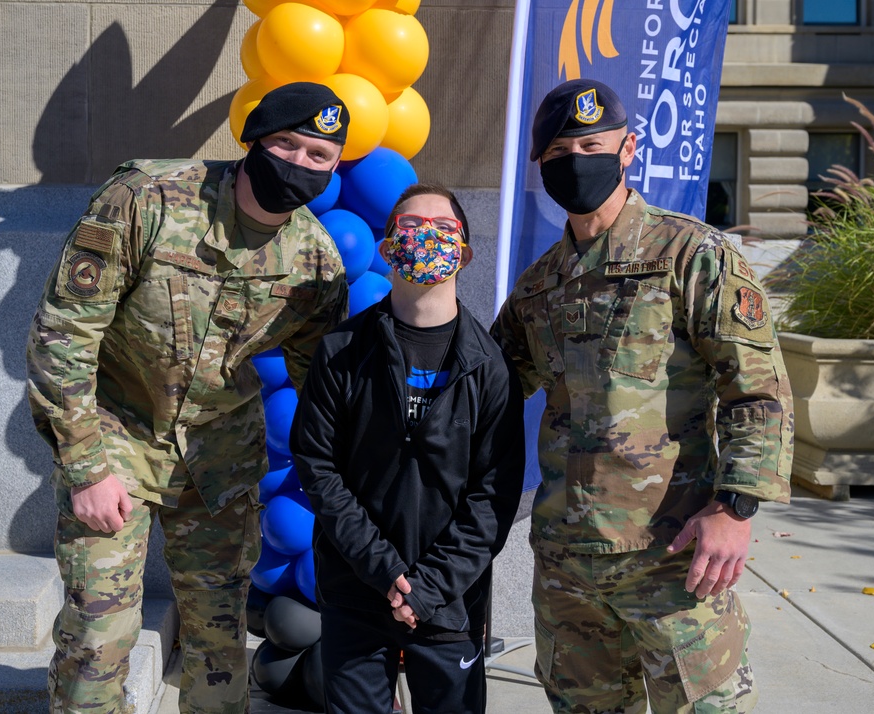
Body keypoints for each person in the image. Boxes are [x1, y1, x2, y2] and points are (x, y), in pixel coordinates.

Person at [26, 81, 350, 714]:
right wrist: (86, 466)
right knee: (99, 634)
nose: (301, 164)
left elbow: (324, 391)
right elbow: (63, 334)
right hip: (116, 435)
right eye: (288, 144)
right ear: (255, 138)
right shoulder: (147, 199)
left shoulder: (316, 263)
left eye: (320, 156)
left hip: (219, 462)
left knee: (219, 640)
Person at [491, 78, 795, 713]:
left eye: (592, 145)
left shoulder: (690, 254)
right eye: (558, 155)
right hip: (568, 566)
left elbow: (758, 390)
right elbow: (488, 390)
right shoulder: (539, 286)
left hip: (673, 557)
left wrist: (734, 509)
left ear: (628, 149)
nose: (576, 162)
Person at [290, 184, 526, 714]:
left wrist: (429, 586)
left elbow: (494, 496)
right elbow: (319, 469)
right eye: (411, 227)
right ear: (387, 246)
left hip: (450, 602)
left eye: (442, 229)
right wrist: (384, 571)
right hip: (355, 590)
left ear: (464, 251)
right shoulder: (341, 352)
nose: (425, 239)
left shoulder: (491, 368)